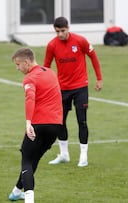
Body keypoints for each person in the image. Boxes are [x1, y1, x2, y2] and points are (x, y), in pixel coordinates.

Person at [44, 16, 103, 167]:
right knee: (59, 121)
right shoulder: (52, 45)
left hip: (80, 87)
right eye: (57, 32)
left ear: (68, 28)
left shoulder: (80, 41)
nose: (60, 34)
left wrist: (99, 78)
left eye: (62, 31)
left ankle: (83, 155)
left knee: (81, 121)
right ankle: (64, 154)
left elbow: (93, 57)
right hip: (62, 89)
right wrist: (47, 86)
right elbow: (46, 67)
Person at [8, 47, 63, 203]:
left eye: (18, 64)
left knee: (26, 159)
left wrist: (28, 123)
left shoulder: (30, 79)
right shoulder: (51, 73)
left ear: (26, 62)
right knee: (34, 160)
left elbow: (30, 98)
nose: (17, 68)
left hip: (38, 124)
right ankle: (16, 192)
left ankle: (29, 199)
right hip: (56, 126)